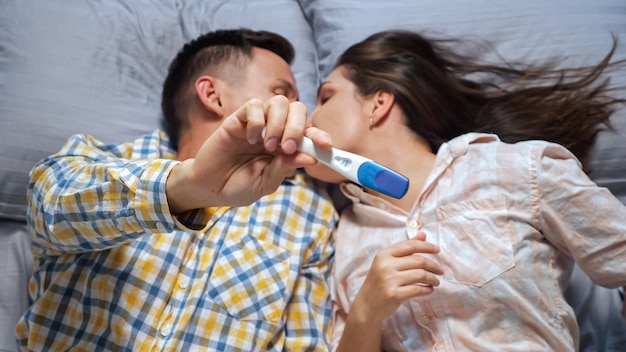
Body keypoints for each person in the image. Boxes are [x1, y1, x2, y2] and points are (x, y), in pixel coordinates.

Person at [302, 30, 626, 351]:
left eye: (326, 98)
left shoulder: (517, 168)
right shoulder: (340, 236)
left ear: (379, 102)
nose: (308, 118)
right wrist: (365, 312)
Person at [16, 29, 338, 351]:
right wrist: (188, 187)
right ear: (213, 96)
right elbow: (49, 211)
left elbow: (306, 343)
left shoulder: (310, 208)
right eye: (281, 92)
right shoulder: (96, 161)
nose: (298, 112)